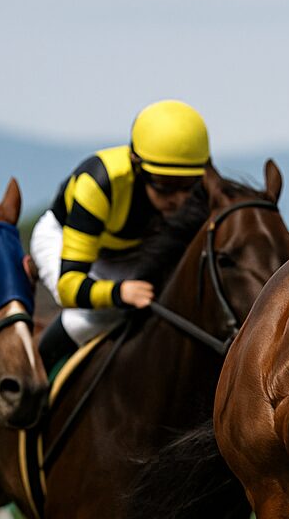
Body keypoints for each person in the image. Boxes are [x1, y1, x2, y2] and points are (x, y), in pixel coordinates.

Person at [29, 99, 210, 369]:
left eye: (188, 185)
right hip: (64, 239)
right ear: (137, 165)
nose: (179, 199)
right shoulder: (98, 184)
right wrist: (118, 293)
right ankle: (41, 379)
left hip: (130, 250)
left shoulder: (199, 190)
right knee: (93, 317)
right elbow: (69, 287)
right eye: (165, 185)